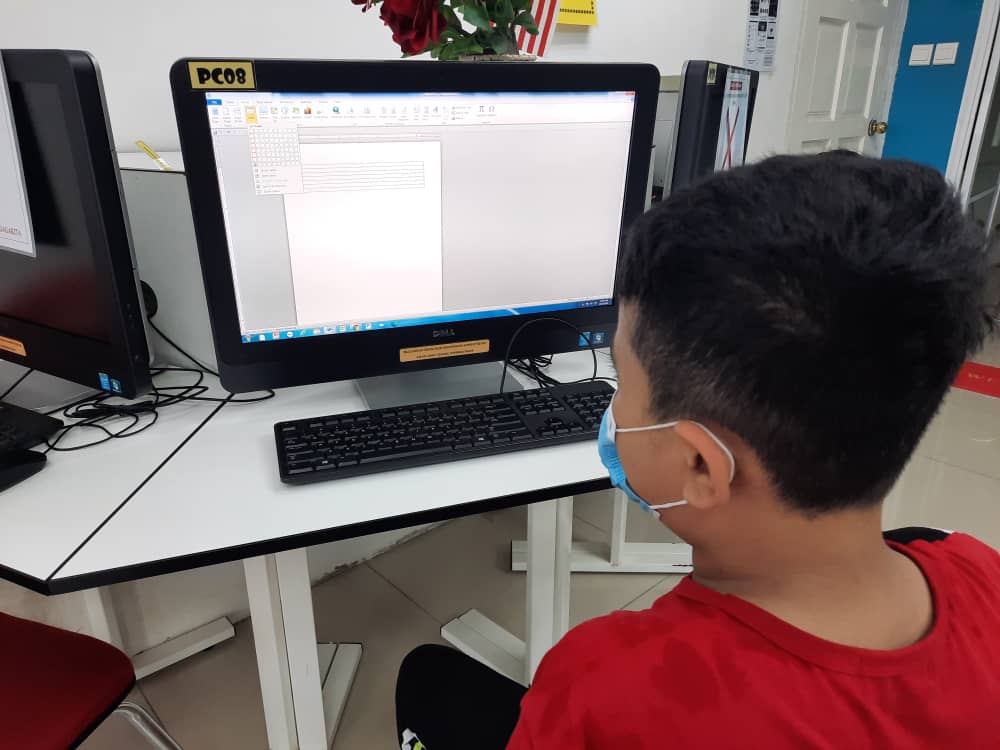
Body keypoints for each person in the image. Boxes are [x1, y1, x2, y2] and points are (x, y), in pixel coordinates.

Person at [395, 151, 1000, 749]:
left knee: (428, 679)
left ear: (701, 466)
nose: (614, 407)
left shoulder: (610, 688)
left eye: (622, 380)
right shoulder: (980, 571)